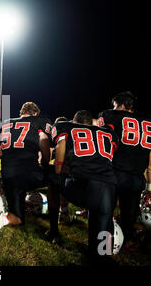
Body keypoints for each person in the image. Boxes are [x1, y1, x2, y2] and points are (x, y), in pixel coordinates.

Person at [51, 110, 118, 263]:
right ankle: (104, 254)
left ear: (75, 121)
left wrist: (59, 169)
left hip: (84, 186)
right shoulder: (108, 133)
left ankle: (55, 226)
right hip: (108, 186)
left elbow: (61, 146)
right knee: (102, 222)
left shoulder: (66, 126)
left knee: (53, 179)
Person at [0, 102, 52, 244]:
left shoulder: (4, 124)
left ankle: (2, 220)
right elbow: (44, 140)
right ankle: (58, 216)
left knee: (18, 217)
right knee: (56, 177)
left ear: (21, 112)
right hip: (30, 173)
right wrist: (45, 165)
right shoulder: (38, 121)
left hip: (9, 175)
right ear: (35, 114)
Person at [98, 91, 151, 248]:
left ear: (120, 106)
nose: (113, 108)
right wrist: (149, 185)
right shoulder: (147, 122)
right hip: (137, 178)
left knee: (105, 212)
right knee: (130, 214)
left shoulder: (111, 115)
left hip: (115, 172)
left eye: (115, 106)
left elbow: (103, 141)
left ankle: (103, 247)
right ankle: (126, 240)